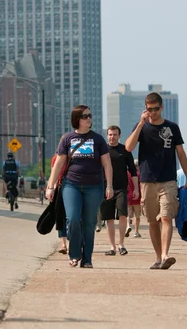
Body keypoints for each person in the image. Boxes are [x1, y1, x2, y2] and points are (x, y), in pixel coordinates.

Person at [125, 92, 187, 270]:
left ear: (161, 108)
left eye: (155, 109)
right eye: (149, 109)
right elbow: (128, 147)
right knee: (153, 222)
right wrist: (140, 124)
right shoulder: (142, 127)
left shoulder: (172, 127)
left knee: (166, 217)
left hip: (168, 180)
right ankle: (157, 257)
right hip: (147, 181)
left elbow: (181, 153)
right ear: (145, 109)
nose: (152, 113)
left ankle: (165, 255)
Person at [46, 105, 113, 268]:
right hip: (71, 185)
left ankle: (87, 258)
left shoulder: (98, 139)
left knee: (89, 223)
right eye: (85, 116)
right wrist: (50, 186)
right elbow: (59, 162)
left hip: (94, 186)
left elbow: (107, 164)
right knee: (73, 219)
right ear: (77, 119)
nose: (89, 118)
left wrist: (109, 185)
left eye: (90, 115)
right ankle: (74, 254)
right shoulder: (67, 139)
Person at [99, 125, 138, 256]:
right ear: (107, 135)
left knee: (123, 215)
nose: (112, 137)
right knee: (109, 218)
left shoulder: (125, 150)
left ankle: (121, 244)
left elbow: (133, 171)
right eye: (110, 134)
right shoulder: (102, 150)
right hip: (105, 189)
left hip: (122, 188)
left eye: (115, 134)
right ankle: (112, 247)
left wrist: (136, 189)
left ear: (119, 136)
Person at [50, 153, 67, 254]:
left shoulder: (76, 156)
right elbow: (53, 174)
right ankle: (63, 244)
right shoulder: (56, 158)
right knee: (60, 217)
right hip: (60, 187)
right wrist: (51, 189)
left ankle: (73, 242)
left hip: (75, 187)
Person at [126, 164, 143, 238]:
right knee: (137, 216)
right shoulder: (139, 175)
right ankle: (136, 231)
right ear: (136, 167)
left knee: (128, 215)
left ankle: (128, 226)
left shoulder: (126, 174)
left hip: (128, 197)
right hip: (137, 198)